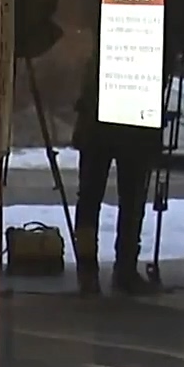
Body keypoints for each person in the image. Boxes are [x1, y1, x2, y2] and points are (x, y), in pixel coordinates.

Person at [71, 51, 162, 295]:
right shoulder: (147, 42)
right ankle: (121, 270)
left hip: (107, 115)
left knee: (93, 199)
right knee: (127, 199)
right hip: (128, 116)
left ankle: (91, 271)